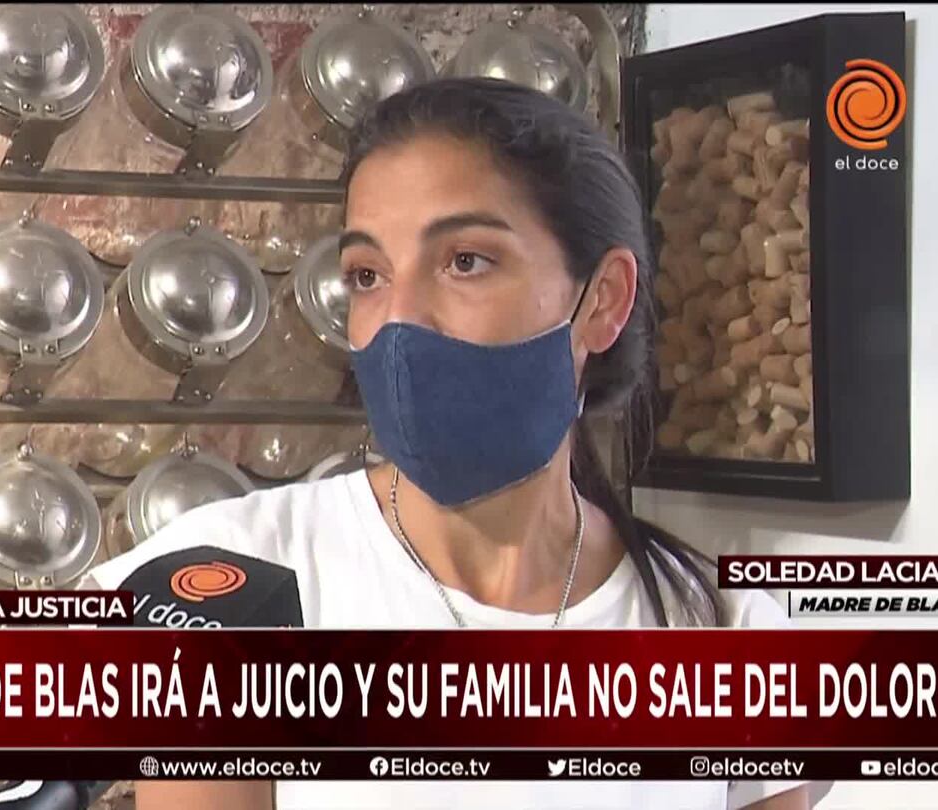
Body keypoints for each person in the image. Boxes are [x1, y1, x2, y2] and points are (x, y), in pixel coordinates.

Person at [80, 77, 825, 810]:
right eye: (367, 275)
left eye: (465, 261)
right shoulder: (238, 584)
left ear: (602, 301)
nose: (401, 321)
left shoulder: (725, 631)